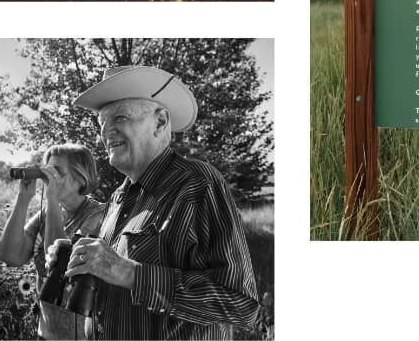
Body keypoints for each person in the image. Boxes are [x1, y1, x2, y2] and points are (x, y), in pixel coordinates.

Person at [48, 65, 260, 340]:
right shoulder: (118, 198)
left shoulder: (197, 183)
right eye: (102, 123)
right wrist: (78, 263)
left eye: (120, 117)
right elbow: (112, 288)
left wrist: (129, 273)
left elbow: (241, 305)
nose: (106, 132)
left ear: (160, 122)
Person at [0, 144, 106, 340]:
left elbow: (59, 264)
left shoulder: (100, 216)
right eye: (47, 171)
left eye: (57, 172)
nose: (49, 178)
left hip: (82, 334)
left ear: (80, 178)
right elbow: (10, 255)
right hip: (47, 331)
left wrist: (52, 200)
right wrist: (23, 198)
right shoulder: (47, 213)